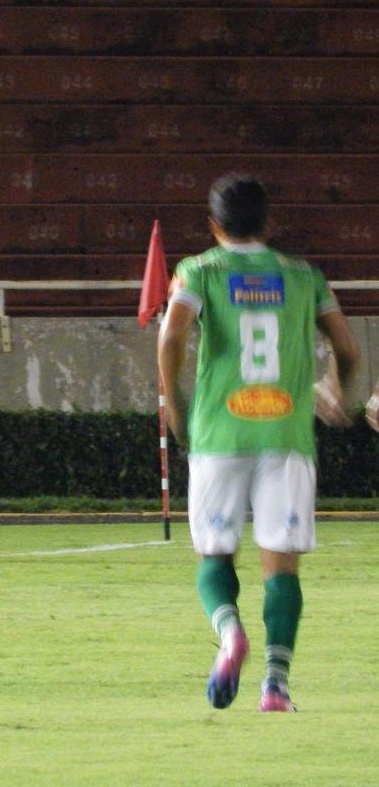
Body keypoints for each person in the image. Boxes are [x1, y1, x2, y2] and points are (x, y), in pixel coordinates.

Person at [157, 173, 359, 712]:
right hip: (287, 435)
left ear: (213, 225)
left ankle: (229, 635)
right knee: (282, 565)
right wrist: (339, 392)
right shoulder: (304, 276)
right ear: (269, 223)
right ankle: (276, 683)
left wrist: (177, 409)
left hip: (219, 434)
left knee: (214, 554)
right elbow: (349, 348)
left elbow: (171, 336)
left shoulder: (198, 270)